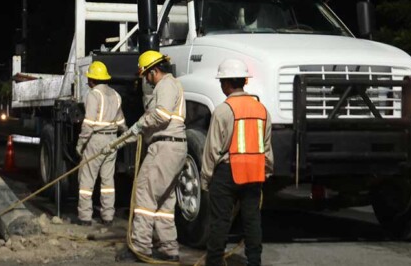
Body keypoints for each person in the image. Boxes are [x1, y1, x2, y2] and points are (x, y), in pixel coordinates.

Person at [109, 50, 187, 263]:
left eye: (146, 75)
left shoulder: (166, 85)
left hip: (164, 148)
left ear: (153, 71)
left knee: (144, 194)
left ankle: (140, 246)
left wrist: (139, 124)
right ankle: (169, 248)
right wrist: (118, 142)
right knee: (163, 201)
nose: (146, 80)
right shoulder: (169, 87)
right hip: (172, 148)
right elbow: (144, 127)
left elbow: (159, 116)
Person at [201, 58, 273, 266]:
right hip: (254, 173)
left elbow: (212, 149)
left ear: (225, 83)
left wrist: (206, 179)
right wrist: (266, 172)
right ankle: (254, 261)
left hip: (227, 172)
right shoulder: (262, 110)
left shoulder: (223, 110)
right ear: (245, 81)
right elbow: (266, 148)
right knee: (252, 221)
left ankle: (214, 262)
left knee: (220, 222)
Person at [75, 60, 127, 226]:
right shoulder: (115, 95)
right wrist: (125, 135)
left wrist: (80, 144)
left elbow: (88, 124)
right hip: (112, 140)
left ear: (92, 79)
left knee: (87, 179)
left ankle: (84, 217)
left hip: (96, 139)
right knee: (107, 181)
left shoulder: (93, 95)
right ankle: (108, 216)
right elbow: (121, 122)